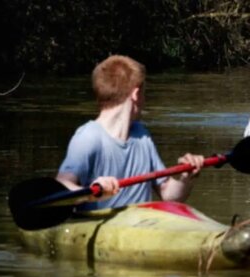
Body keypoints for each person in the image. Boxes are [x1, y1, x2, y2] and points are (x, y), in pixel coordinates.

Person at [56, 55, 204, 210]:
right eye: (145, 93)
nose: (145, 100)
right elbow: (62, 184)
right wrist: (91, 192)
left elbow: (169, 194)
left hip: (140, 228)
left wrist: (187, 177)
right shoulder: (88, 136)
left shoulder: (142, 135)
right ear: (136, 94)